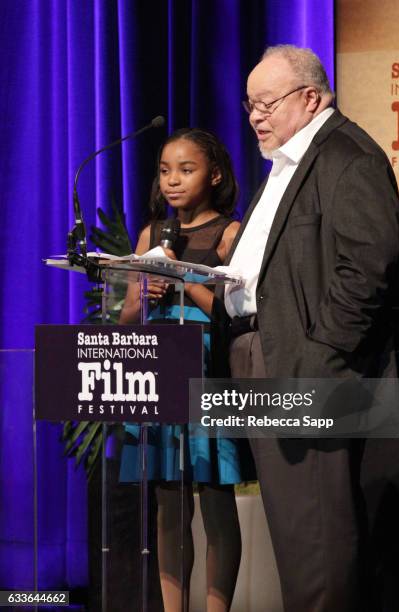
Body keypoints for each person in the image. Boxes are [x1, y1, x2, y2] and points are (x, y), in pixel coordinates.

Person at [213, 45, 399, 612]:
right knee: (298, 536)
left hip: (303, 368)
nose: (255, 115)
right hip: (264, 357)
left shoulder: (346, 156)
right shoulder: (287, 165)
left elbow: (369, 265)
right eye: (249, 104)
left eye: (267, 102)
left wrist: (320, 358)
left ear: (310, 97)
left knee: (317, 537)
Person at [119, 128, 253, 612]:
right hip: (161, 374)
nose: (172, 180)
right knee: (168, 507)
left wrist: (181, 278)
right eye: (164, 170)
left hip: (209, 373)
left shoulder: (230, 234)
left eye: (187, 169)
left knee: (215, 505)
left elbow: (232, 313)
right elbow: (127, 321)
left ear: (214, 174)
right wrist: (141, 294)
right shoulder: (152, 235)